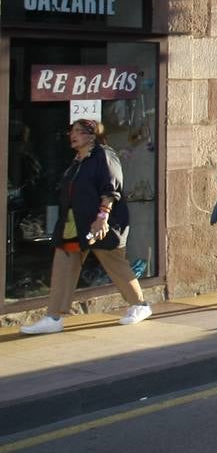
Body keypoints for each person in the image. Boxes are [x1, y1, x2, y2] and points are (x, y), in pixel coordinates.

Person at [20, 120, 152, 334]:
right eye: (72, 132)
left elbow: (112, 188)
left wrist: (102, 217)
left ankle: (140, 305)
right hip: (74, 225)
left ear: (92, 136)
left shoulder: (104, 156)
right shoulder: (78, 160)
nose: (73, 135)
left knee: (116, 266)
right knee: (63, 265)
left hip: (101, 224)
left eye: (79, 132)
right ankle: (53, 317)